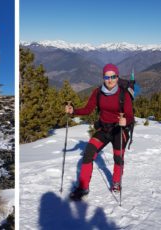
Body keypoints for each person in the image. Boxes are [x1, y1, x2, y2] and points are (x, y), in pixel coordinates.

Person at [65, 63, 134, 200]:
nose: (110, 80)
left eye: (113, 76)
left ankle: (116, 183)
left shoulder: (123, 94)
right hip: (104, 129)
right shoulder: (98, 92)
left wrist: (126, 121)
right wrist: (74, 111)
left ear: (117, 77)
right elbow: (88, 109)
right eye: (107, 77)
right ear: (103, 77)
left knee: (118, 157)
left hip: (119, 130)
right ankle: (83, 187)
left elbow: (130, 115)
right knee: (88, 153)